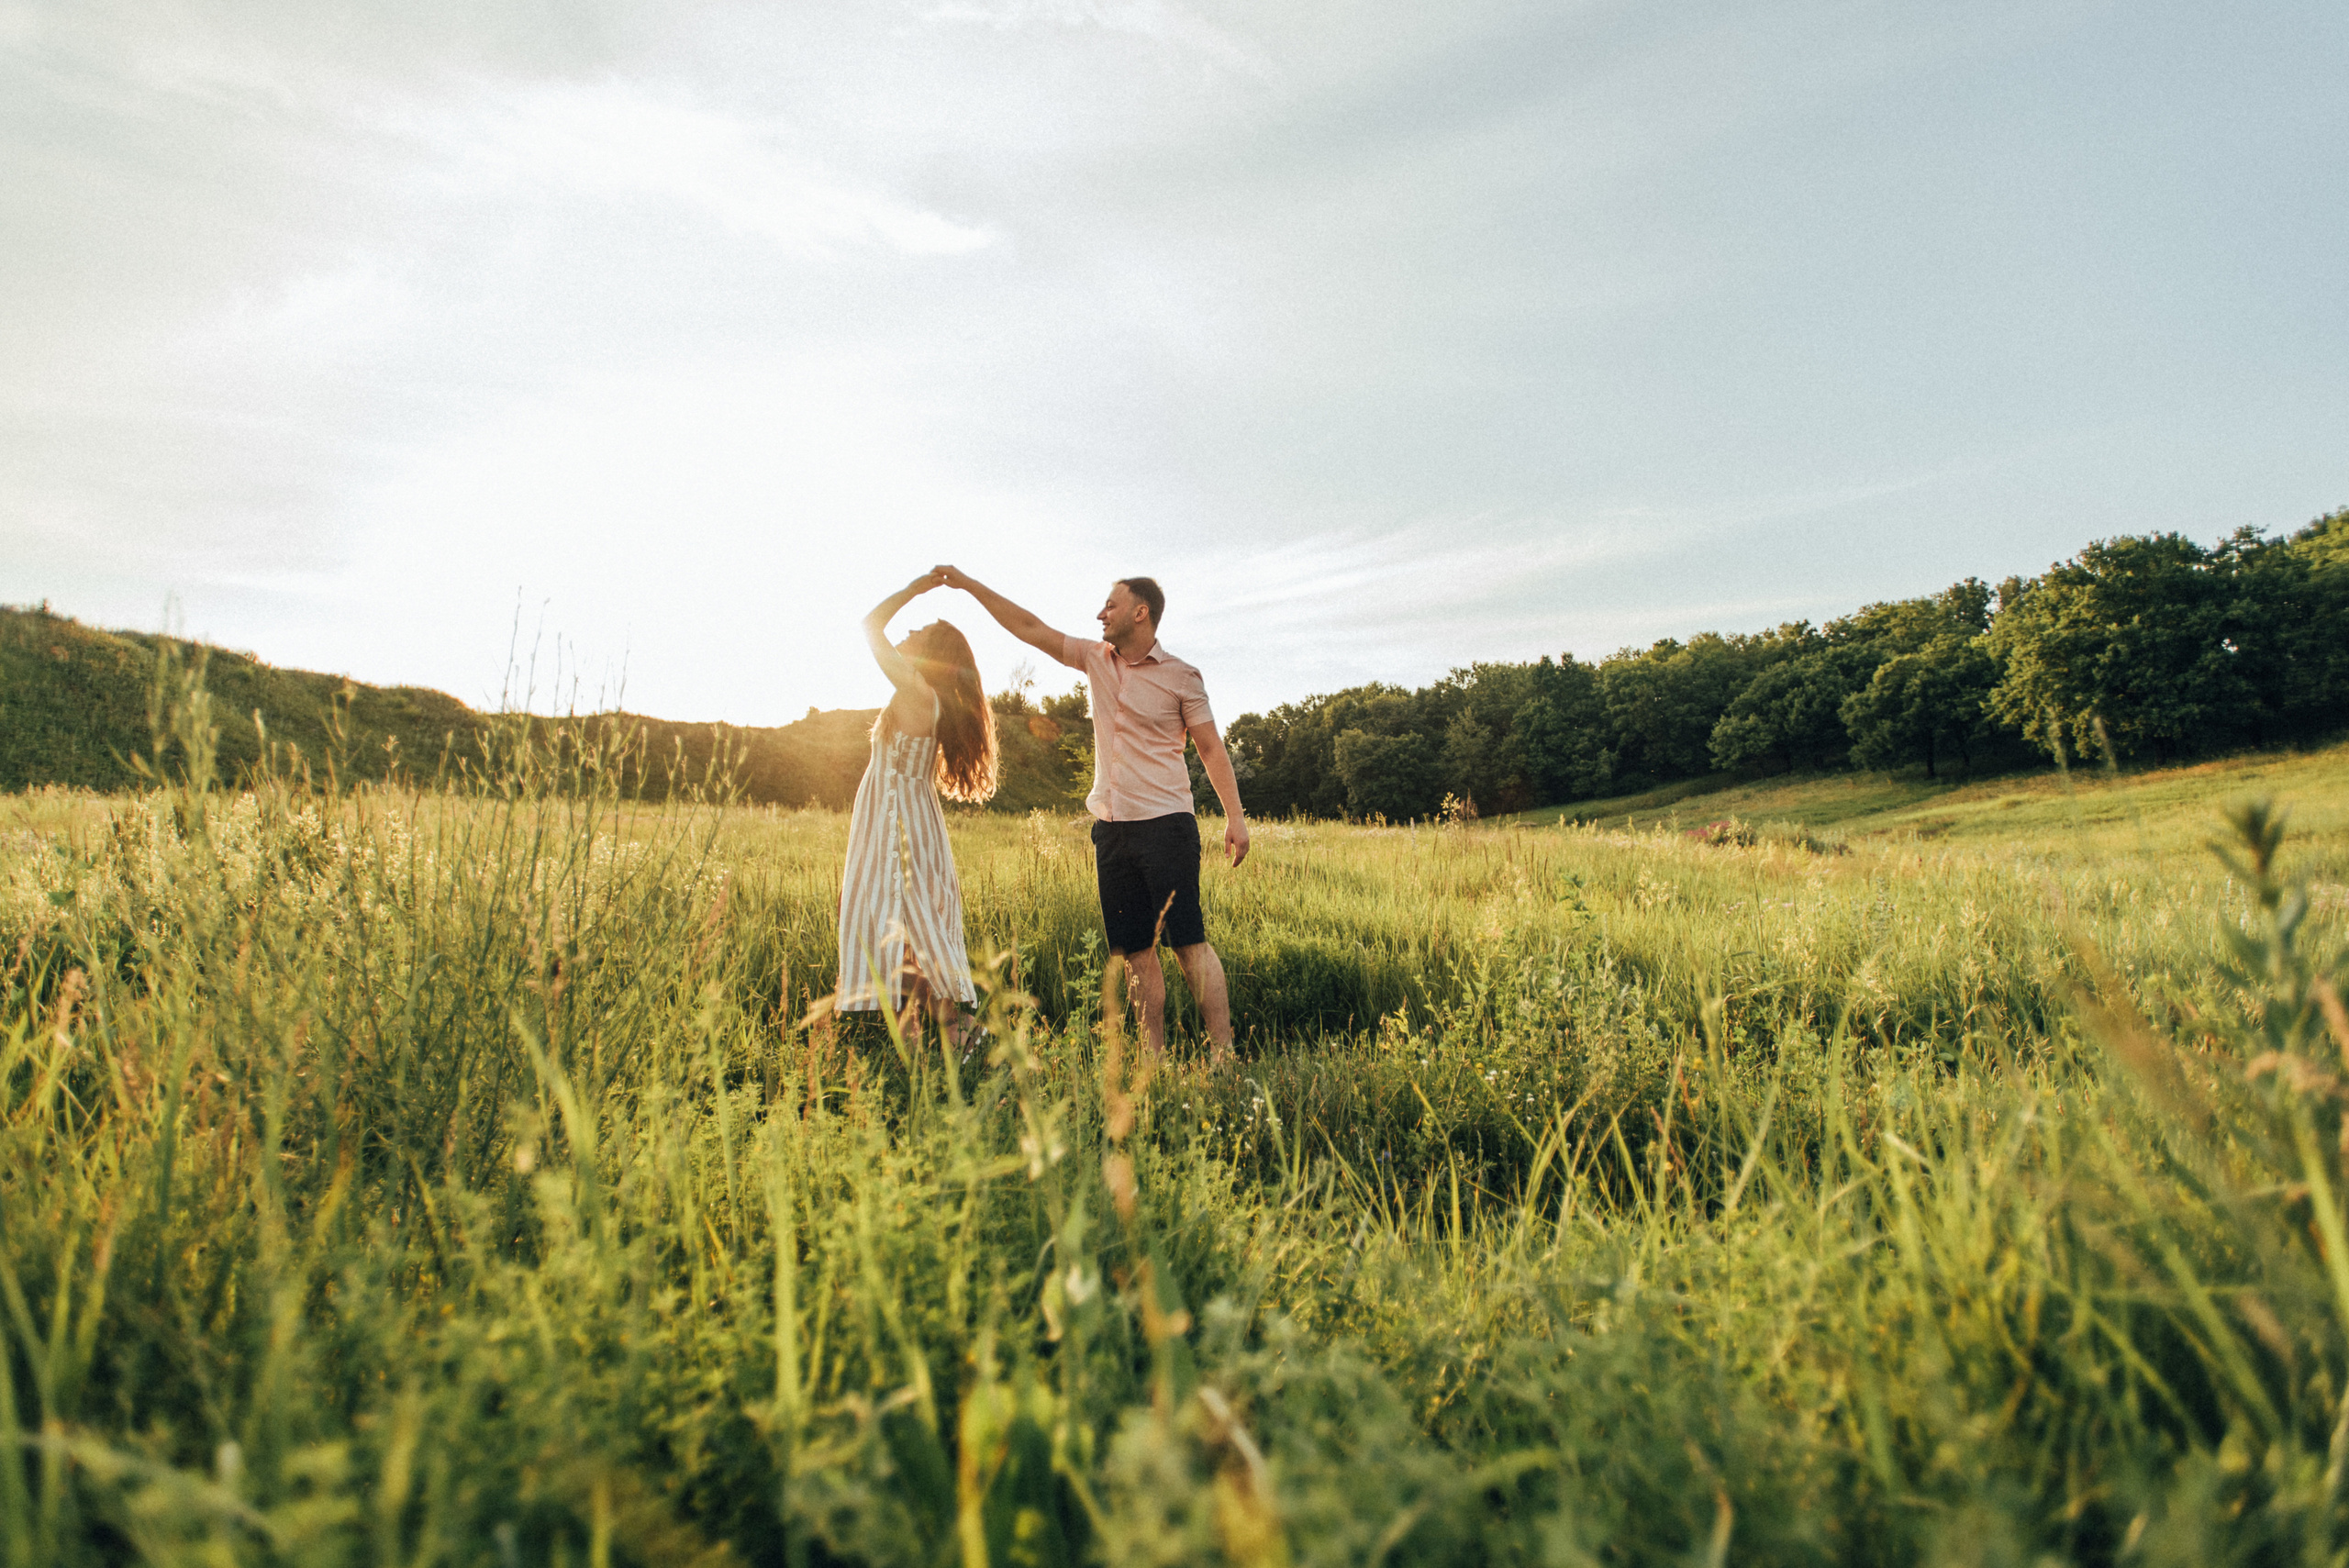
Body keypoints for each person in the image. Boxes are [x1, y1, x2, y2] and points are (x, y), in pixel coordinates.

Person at [933, 566, 1249, 1062]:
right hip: (1113, 833)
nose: (1101, 614)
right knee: (1135, 956)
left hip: (1167, 826)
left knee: (1189, 944)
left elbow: (1210, 748)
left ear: (1140, 613)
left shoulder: (1181, 676)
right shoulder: (1094, 659)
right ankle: (1153, 1061)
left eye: (1111, 605)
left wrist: (1235, 816)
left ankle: (1223, 1053)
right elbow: (1030, 628)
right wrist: (972, 586)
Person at [834, 570, 998, 1046]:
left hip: (896, 828)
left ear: (931, 656)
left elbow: (870, 625)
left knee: (906, 938)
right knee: (907, 943)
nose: (905, 634)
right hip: (902, 823)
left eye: (918, 634)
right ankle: (943, 1050)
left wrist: (913, 589)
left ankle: (963, 1040)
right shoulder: (922, 697)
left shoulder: (917, 694)